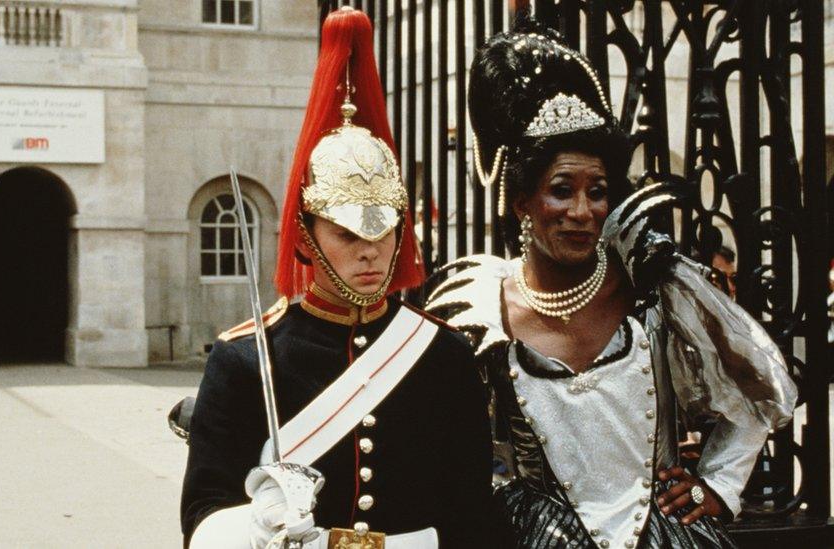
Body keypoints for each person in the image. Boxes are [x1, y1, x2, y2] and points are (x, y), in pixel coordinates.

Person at [425, 14, 797, 549]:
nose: (581, 210)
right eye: (561, 189)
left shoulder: (655, 289)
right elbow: (449, 444)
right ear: (522, 201)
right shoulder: (481, 308)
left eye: (596, 191)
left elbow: (756, 385)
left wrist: (717, 484)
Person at [178, 8, 492, 549]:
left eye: (384, 230)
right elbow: (202, 513)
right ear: (305, 237)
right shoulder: (245, 359)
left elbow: (471, 512)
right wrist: (257, 525)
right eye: (347, 233)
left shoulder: (443, 355)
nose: (371, 252)